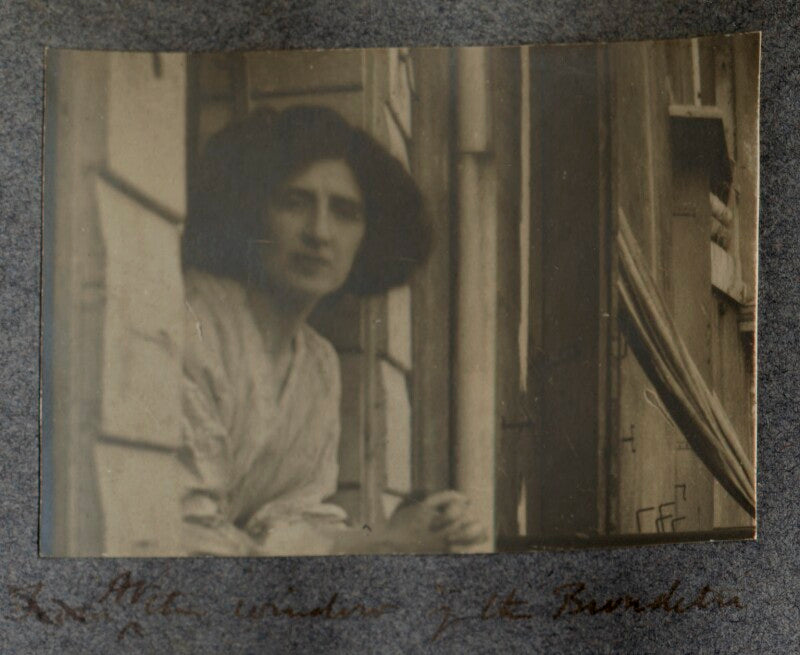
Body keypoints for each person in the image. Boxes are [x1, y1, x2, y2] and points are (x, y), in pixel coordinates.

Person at [179, 105, 484, 556]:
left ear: (368, 235)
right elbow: (186, 535)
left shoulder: (318, 364)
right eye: (294, 202)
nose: (320, 233)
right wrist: (377, 547)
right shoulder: (194, 319)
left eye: (344, 212)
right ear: (251, 211)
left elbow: (295, 521)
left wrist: (400, 532)